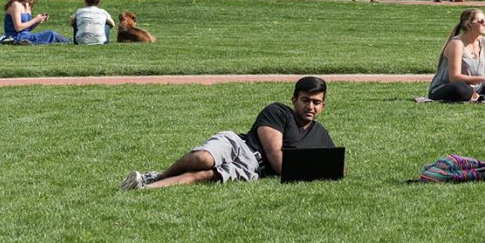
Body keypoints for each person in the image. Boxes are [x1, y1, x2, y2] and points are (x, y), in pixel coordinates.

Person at [120, 77, 335, 189]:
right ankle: (155, 177)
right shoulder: (277, 111)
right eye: (305, 100)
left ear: (323, 106)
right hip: (239, 145)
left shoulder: (321, 134)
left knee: (204, 176)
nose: (311, 107)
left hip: (253, 169)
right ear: (294, 100)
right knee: (202, 158)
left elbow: (337, 166)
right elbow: (275, 157)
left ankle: (144, 190)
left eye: (317, 102)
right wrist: (310, 169)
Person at [3, 0, 67, 44]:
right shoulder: (16, 5)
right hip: (15, 37)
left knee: (51, 35)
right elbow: (18, 28)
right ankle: (70, 42)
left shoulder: (28, 5)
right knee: (51, 34)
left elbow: (27, 29)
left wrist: (38, 21)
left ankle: (69, 41)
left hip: (25, 36)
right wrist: (35, 19)